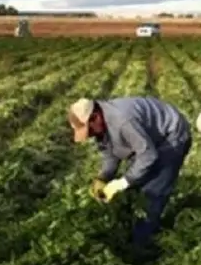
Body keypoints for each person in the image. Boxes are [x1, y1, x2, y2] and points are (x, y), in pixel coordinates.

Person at [68, 96, 191, 244]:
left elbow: (148, 155)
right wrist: (103, 177)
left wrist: (123, 182)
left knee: (151, 192)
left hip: (171, 136)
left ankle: (143, 244)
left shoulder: (122, 120)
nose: (91, 136)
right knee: (135, 186)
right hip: (148, 141)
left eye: (89, 131)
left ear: (95, 117)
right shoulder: (102, 125)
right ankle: (134, 231)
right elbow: (110, 155)